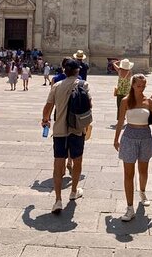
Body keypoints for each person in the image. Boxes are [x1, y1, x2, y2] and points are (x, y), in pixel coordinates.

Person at [41, 59, 92, 214]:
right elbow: (89, 106)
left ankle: (57, 200)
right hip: (77, 130)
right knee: (77, 162)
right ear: (78, 71)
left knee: (58, 164)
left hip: (59, 131)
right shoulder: (84, 85)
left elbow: (48, 107)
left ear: (64, 70)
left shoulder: (56, 86)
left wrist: (45, 120)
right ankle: (73, 191)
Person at [113, 74, 152, 221]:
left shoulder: (150, 102)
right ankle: (129, 207)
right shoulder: (126, 101)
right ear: (133, 85)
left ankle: (142, 191)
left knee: (143, 170)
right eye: (139, 85)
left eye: (143, 86)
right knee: (128, 173)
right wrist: (116, 139)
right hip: (129, 136)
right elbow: (120, 121)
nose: (141, 88)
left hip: (145, 136)